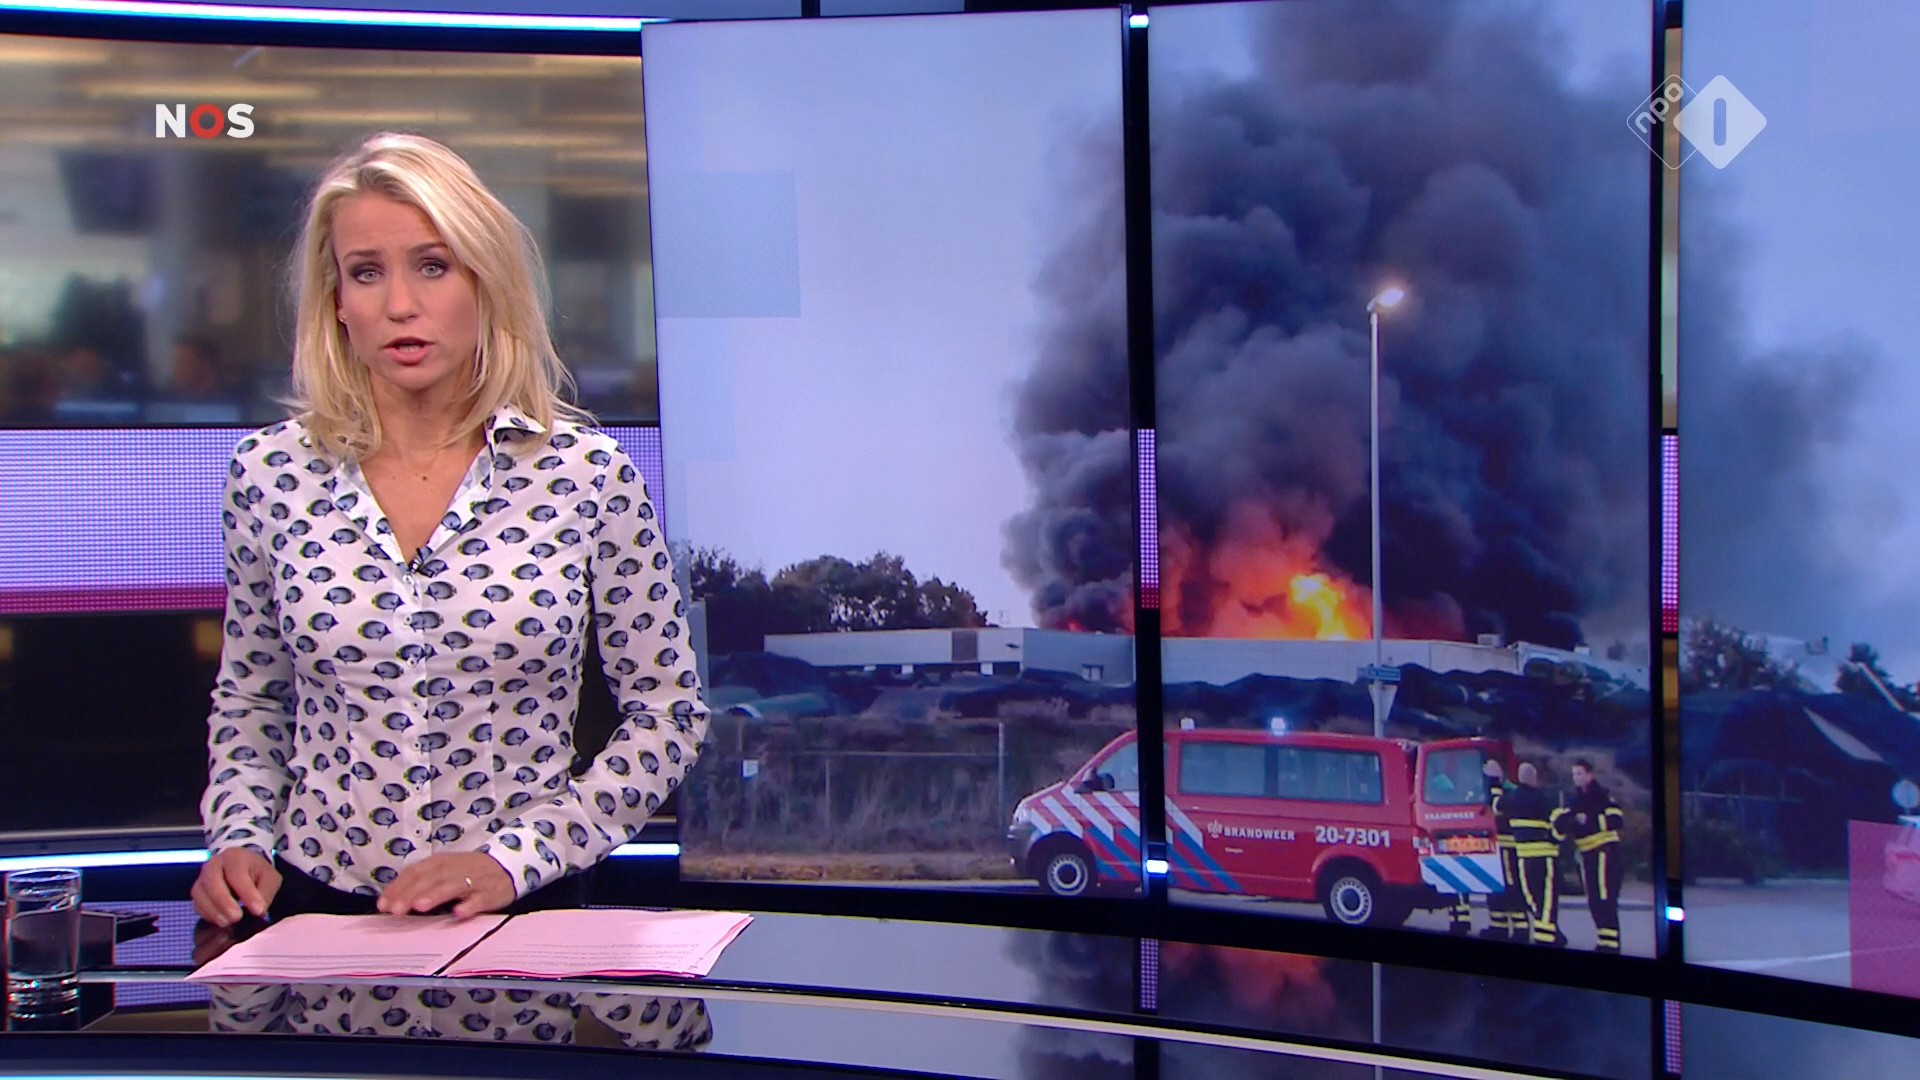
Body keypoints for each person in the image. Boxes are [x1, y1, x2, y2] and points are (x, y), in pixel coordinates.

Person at [191, 131, 707, 927]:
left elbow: (669, 714)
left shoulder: (588, 478)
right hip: (317, 915)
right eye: (367, 273)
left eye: (432, 266)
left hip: (521, 911)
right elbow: (252, 699)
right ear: (337, 300)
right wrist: (238, 835)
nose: (400, 304)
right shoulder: (270, 475)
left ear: (484, 280)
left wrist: (516, 859)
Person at [1561, 758, 1625, 952]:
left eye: (1580, 773)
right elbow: (1566, 821)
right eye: (1574, 774)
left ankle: (1611, 943)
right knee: (1593, 899)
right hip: (1586, 854)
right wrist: (1572, 821)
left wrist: (1589, 820)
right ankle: (1603, 939)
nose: (1576, 778)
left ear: (1590, 775)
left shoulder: (1602, 795)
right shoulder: (1574, 798)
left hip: (1605, 853)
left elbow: (1616, 819)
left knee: (1606, 897)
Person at [1503, 762, 1565, 947]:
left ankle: (1551, 934)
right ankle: (1546, 938)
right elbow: (1559, 825)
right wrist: (1558, 838)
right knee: (1547, 901)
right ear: (1534, 778)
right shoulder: (1543, 798)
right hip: (1545, 857)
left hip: (1523, 857)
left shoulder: (1512, 799)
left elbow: (1496, 804)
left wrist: (1496, 782)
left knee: (1532, 898)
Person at [1480, 756, 1525, 942]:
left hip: (1508, 847)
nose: (1489, 771)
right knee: (1494, 887)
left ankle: (1520, 928)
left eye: (1493, 767)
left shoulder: (1511, 790)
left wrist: (1494, 785)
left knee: (1512, 886)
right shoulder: (1483, 788)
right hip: (1492, 846)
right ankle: (1498, 926)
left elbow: (1499, 807)